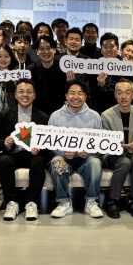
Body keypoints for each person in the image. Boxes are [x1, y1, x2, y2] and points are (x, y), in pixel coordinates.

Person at [0, 78, 51, 221]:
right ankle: (11, 202)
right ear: (15, 95)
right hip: (14, 154)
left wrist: (40, 148)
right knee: (4, 161)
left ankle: (32, 203)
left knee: (39, 161)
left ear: (34, 95)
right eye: (21, 91)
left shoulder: (43, 117)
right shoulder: (5, 115)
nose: (25, 95)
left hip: (33, 155)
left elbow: (48, 144)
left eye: (29, 92)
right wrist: (5, 143)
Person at [48, 80, 104, 218]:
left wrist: (89, 151)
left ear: (85, 96)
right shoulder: (55, 116)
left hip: (86, 158)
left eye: (80, 93)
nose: (76, 97)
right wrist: (63, 152)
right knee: (57, 162)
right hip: (64, 158)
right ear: (66, 96)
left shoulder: (95, 116)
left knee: (95, 162)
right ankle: (64, 203)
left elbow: (100, 142)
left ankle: (91, 202)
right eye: (72, 93)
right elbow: (49, 142)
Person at [101, 79, 133, 219]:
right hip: (112, 153)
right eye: (120, 93)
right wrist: (126, 146)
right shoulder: (106, 115)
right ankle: (113, 201)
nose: (123, 96)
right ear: (115, 95)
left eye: (127, 93)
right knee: (125, 162)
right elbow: (106, 143)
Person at [90, 33, 133, 115]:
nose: (108, 50)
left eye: (111, 46)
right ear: (101, 50)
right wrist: (100, 85)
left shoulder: (126, 68)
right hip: (99, 112)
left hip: (121, 113)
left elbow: (130, 95)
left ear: (117, 48)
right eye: (105, 47)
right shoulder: (93, 67)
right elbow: (90, 96)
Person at [31, 36, 67, 116]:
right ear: (37, 51)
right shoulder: (31, 70)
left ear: (54, 50)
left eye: (48, 48)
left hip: (61, 113)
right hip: (38, 113)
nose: (46, 52)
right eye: (42, 49)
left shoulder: (64, 68)